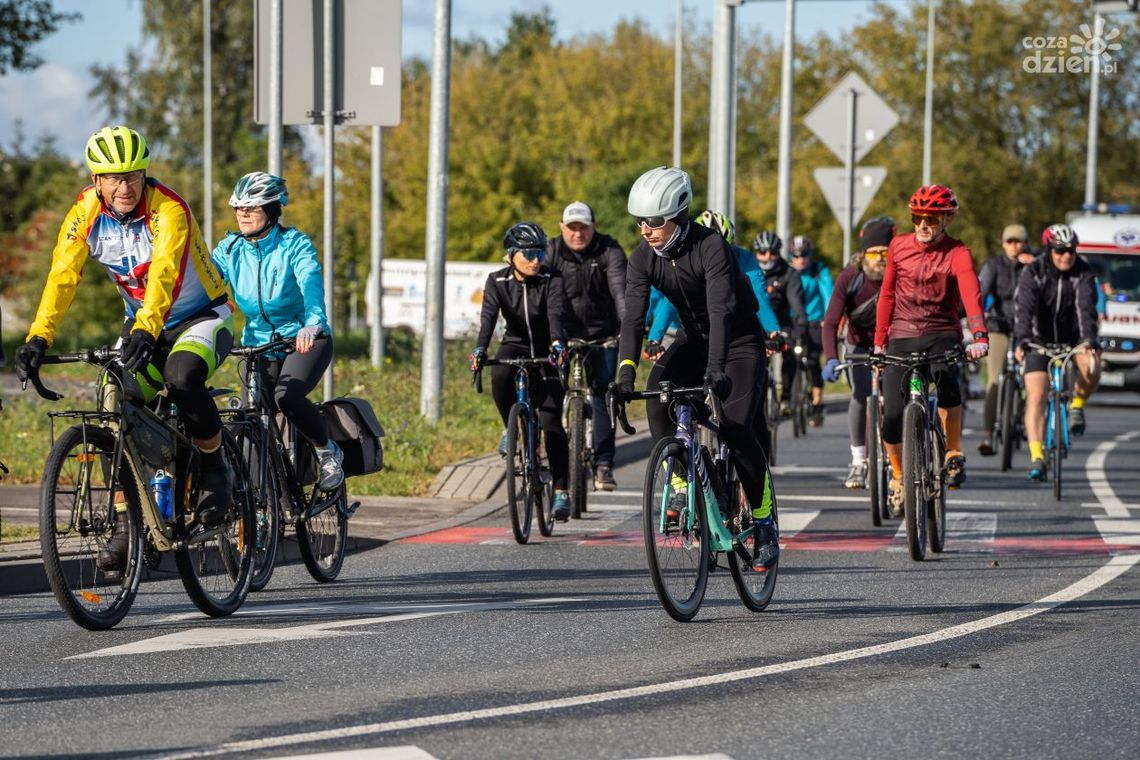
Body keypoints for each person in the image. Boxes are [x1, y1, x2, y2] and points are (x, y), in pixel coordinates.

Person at [13, 125, 235, 575]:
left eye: (133, 176)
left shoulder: (169, 209)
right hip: (143, 323)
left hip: (203, 315)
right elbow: (62, 276)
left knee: (181, 378)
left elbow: (165, 275)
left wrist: (147, 328)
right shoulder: (85, 212)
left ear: (144, 175)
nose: (124, 186)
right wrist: (39, 337)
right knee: (114, 404)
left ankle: (214, 468)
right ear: (96, 180)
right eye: (112, 177)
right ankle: (125, 523)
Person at [616, 167, 778, 569]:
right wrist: (623, 374)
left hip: (739, 342)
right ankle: (680, 484)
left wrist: (717, 368)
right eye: (640, 222)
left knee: (737, 430)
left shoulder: (711, 247)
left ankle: (764, 524)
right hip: (693, 340)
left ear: (679, 214)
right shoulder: (642, 258)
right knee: (658, 400)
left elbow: (722, 311)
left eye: (655, 221)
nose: (646, 230)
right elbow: (633, 318)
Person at [211, 172, 344, 491]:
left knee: (287, 397)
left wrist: (314, 321)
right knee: (249, 415)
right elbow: (207, 287)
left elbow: (310, 282)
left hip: (304, 339)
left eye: (251, 208)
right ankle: (263, 498)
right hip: (258, 346)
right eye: (238, 209)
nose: (243, 214)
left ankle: (327, 450)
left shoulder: (293, 244)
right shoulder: (230, 250)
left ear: (271, 210)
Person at [873, 185, 988, 514]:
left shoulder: (958, 252)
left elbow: (970, 294)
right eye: (917, 218)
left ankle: (952, 451)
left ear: (947, 219)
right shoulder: (898, 247)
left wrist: (979, 335)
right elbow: (887, 296)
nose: (923, 225)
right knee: (892, 414)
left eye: (932, 219)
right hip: (902, 332)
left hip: (941, 332)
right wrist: (880, 342)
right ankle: (897, 475)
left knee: (947, 379)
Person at [471, 222, 572, 520]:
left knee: (552, 423)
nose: (535, 260)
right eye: (528, 253)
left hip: (546, 349)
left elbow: (556, 314)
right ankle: (510, 427)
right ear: (512, 254)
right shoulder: (497, 281)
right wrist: (480, 349)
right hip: (514, 344)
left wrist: (557, 344)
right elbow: (488, 318)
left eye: (540, 252)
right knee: (500, 373)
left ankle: (562, 490)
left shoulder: (552, 279)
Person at [544, 201, 626, 491]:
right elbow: (540, 289)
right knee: (551, 392)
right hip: (562, 333)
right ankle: (552, 458)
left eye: (584, 228)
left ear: (594, 227)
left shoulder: (609, 250)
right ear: (562, 228)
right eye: (572, 228)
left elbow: (620, 290)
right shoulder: (551, 251)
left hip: (603, 333)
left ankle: (603, 465)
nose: (578, 234)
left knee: (604, 394)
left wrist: (628, 327)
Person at [1014, 223, 1100, 482]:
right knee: (1037, 395)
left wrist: (1088, 341)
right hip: (1039, 340)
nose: (1066, 256)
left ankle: (1076, 406)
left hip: (1073, 338)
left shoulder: (1083, 272)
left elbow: (1086, 309)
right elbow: (1024, 309)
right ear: (1049, 249)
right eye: (1060, 250)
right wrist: (1022, 340)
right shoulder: (1034, 271)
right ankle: (1037, 455)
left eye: (1071, 251)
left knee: (1093, 363)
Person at [822, 218, 894, 488]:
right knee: (861, 395)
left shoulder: (900, 275)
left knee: (894, 399)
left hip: (892, 343)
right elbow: (830, 322)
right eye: (874, 253)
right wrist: (830, 358)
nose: (880, 259)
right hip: (858, 344)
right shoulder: (850, 277)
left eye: (886, 253)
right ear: (863, 254)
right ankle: (858, 461)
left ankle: (897, 459)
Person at [976, 223, 1035, 455]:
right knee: (994, 380)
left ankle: (1031, 427)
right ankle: (989, 436)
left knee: (1034, 381)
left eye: (1019, 241)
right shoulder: (994, 266)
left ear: (1026, 243)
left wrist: (1035, 267)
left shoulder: (1034, 265)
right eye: (1010, 241)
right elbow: (979, 293)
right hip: (999, 325)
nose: (1014, 246)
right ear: (1003, 244)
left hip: (1026, 328)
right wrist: (978, 317)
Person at [752, 230, 806, 416]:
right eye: (763, 252)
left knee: (790, 354)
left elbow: (797, 305)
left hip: (782, 324)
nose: (768, 257)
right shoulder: (748, 269)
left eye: (773, 253)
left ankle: (786, 397)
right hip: (756, 325)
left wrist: (798, 331)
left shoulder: (788, 273)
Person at [788, 235, 833, 425]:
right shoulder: (787, 272)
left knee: (814, 361)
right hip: (794, 322)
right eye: (796, 256)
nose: (801, 260)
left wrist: (829, 318)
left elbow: (828, 293)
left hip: (816, 321)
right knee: (790, 359)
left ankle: (817, 402)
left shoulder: (817, 270)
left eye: (804, 255)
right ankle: (790, 396)